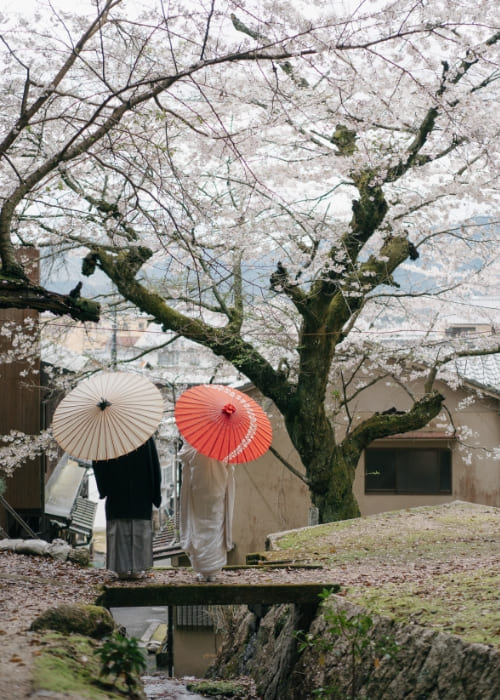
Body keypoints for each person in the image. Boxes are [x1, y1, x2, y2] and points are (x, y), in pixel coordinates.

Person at [92, 436, 161, 579]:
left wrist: (104, 489)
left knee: (118, 531)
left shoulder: (107, 437)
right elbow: (155, 466)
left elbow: (98, 464)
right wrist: (155, 494)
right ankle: (138, 569)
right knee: (139, 531)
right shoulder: (145, 436)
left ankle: (120, 569)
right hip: (142, 492)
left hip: (117, 492)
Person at [179, 443, 235, 582]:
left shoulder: (193, 439)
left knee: (198, 528)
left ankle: (202, 568)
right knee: (216, 526)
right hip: (217, 490)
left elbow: (184, 456)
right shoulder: (224, 442)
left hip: (198, 489)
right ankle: (213, 569)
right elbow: (231, 465)